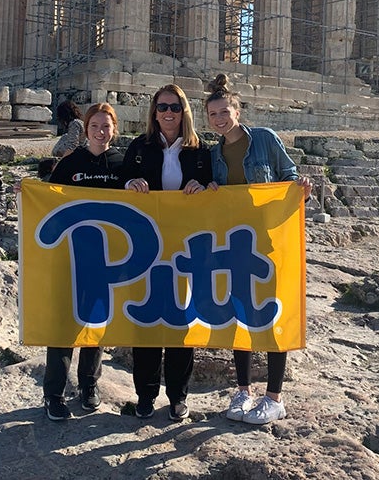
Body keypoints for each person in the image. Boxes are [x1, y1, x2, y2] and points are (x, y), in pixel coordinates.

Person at [204, 73, 312, 425]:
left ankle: (274, 397)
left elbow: (288, 175)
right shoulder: (213, 154)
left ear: (237, 110)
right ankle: (242, 391)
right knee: (240, 317)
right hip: (235, 242)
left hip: (268, 241)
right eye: (213, 115)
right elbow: (213, 193)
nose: (219, 119)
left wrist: (301, 188)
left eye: (225, 112)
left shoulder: (264, 140)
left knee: (270, 316)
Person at [123, 84, 212, 422]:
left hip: (184, 249)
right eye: (162, 107)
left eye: (174, 107)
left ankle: (178, 397)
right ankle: (145, 396)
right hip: (144, 248)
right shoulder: (139, 147)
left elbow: (214, 189)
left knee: (179, 324)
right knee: (146, 324)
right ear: (154, 112)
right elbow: (122, 181)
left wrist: (203, 188)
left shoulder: (200, 150)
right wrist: (130, 184)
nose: (168, 113)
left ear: (184, 111)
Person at [43, 102, 125, 421]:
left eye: (106, 126)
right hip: (71, 257)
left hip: (108, 260)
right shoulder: (70, 162)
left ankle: (89, 386)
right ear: (86, 128)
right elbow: (49, 198)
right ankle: (54, 393)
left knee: (96, 324)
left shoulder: (122, 163)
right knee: (63, 325)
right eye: (95, 126)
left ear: (113, 130)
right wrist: (29, 191)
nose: (101, 131)